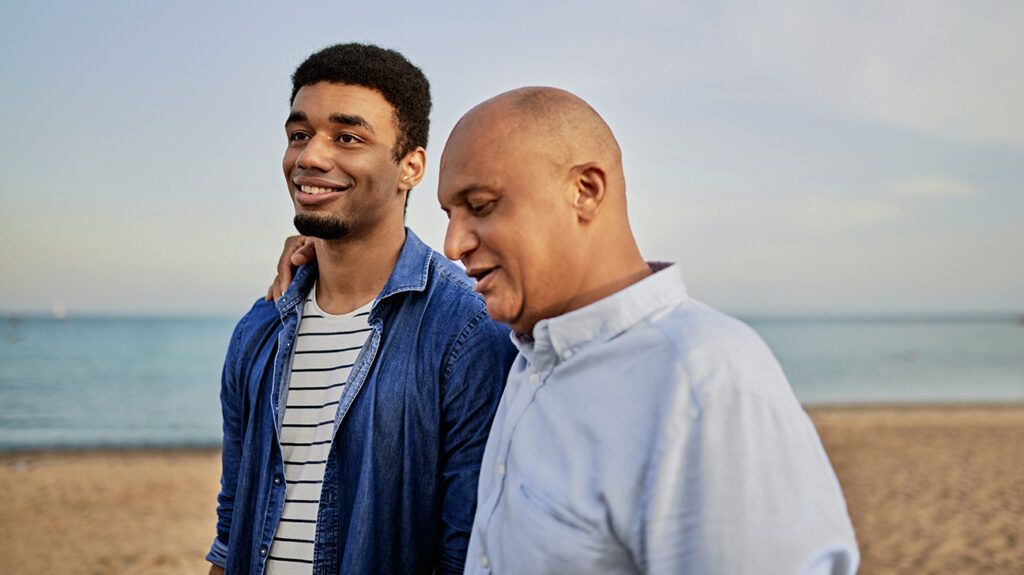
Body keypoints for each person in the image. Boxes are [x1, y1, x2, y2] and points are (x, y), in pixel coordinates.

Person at [274, 87, 860, 573]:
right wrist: (323, 258)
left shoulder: (702, 382)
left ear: (586, 190)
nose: (454, 245)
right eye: (450, 216)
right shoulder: (525, 359)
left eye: (481, 205)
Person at [207, 43, 515, 575]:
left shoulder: (467, 330)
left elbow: (465, 548)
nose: (310, 157)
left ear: (410, 167)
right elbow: (232, 525)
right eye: (299, 135)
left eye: (347, 138)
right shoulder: (259, 329)